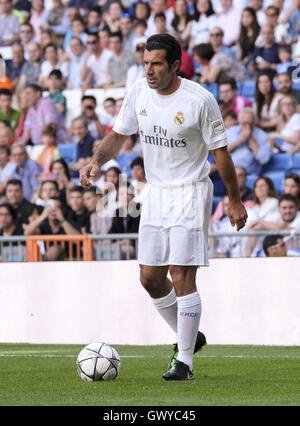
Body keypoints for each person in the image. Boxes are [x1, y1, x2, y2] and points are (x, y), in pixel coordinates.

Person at [80, 34, 247, 381]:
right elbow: (117, 135)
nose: (149, 71)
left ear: (175, 65)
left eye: (156, 64)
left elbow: (221, 154)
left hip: (189, 192)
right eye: (145, 63)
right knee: (150, 279)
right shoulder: (139, 93)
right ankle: (191, 335)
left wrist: (233, 199)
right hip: (155, 193)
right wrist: (96, 160)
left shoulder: (200, 100)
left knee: (181, 275)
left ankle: (184, 361)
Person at [226, 107, 271, 175]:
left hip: (250, 173)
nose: (248, 126)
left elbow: (264, 159)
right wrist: (241, 139)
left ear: (255, 122)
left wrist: (250, 138)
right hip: (230, 172)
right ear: (239, 121)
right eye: (245, 123)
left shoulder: (262, 135)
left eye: (251, 123)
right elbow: (222, 152)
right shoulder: (231, 131)